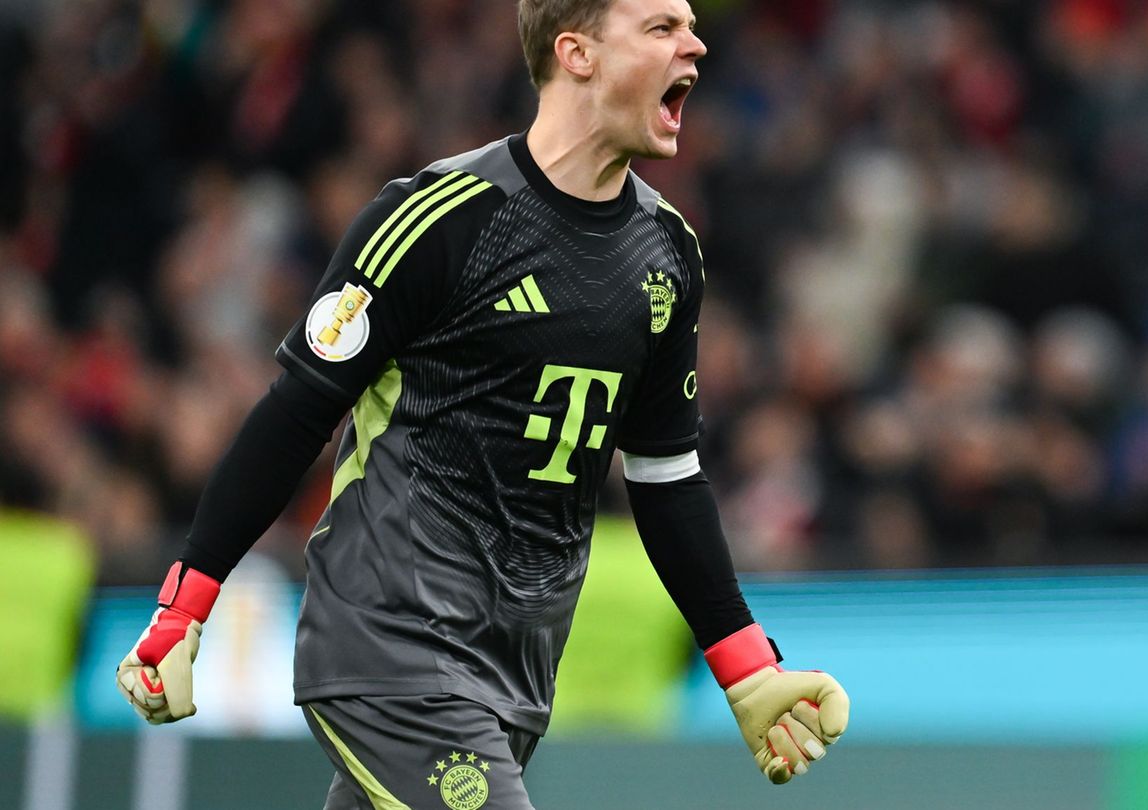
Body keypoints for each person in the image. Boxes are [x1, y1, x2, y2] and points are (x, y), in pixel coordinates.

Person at [114, 1, 849, 807]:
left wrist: (744, 664)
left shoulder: (668, 252)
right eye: (662, 26)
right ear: (578, 53)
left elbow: (668, 479)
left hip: (515, 675)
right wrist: (185, 607)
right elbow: (295, 415)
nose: (697, 43)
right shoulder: (439, 219)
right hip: (393, 644)